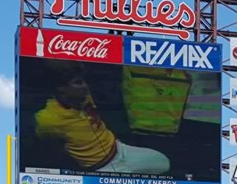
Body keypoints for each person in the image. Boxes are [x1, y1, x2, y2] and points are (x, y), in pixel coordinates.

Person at [33, 60, 171, 175]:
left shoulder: (84, 96)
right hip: (101, 169)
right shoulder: (48, 118)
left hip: (119, 150)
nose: (86, 87)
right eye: (78, 82)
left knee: (164, 163)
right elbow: (48, 147)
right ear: (61, 87)